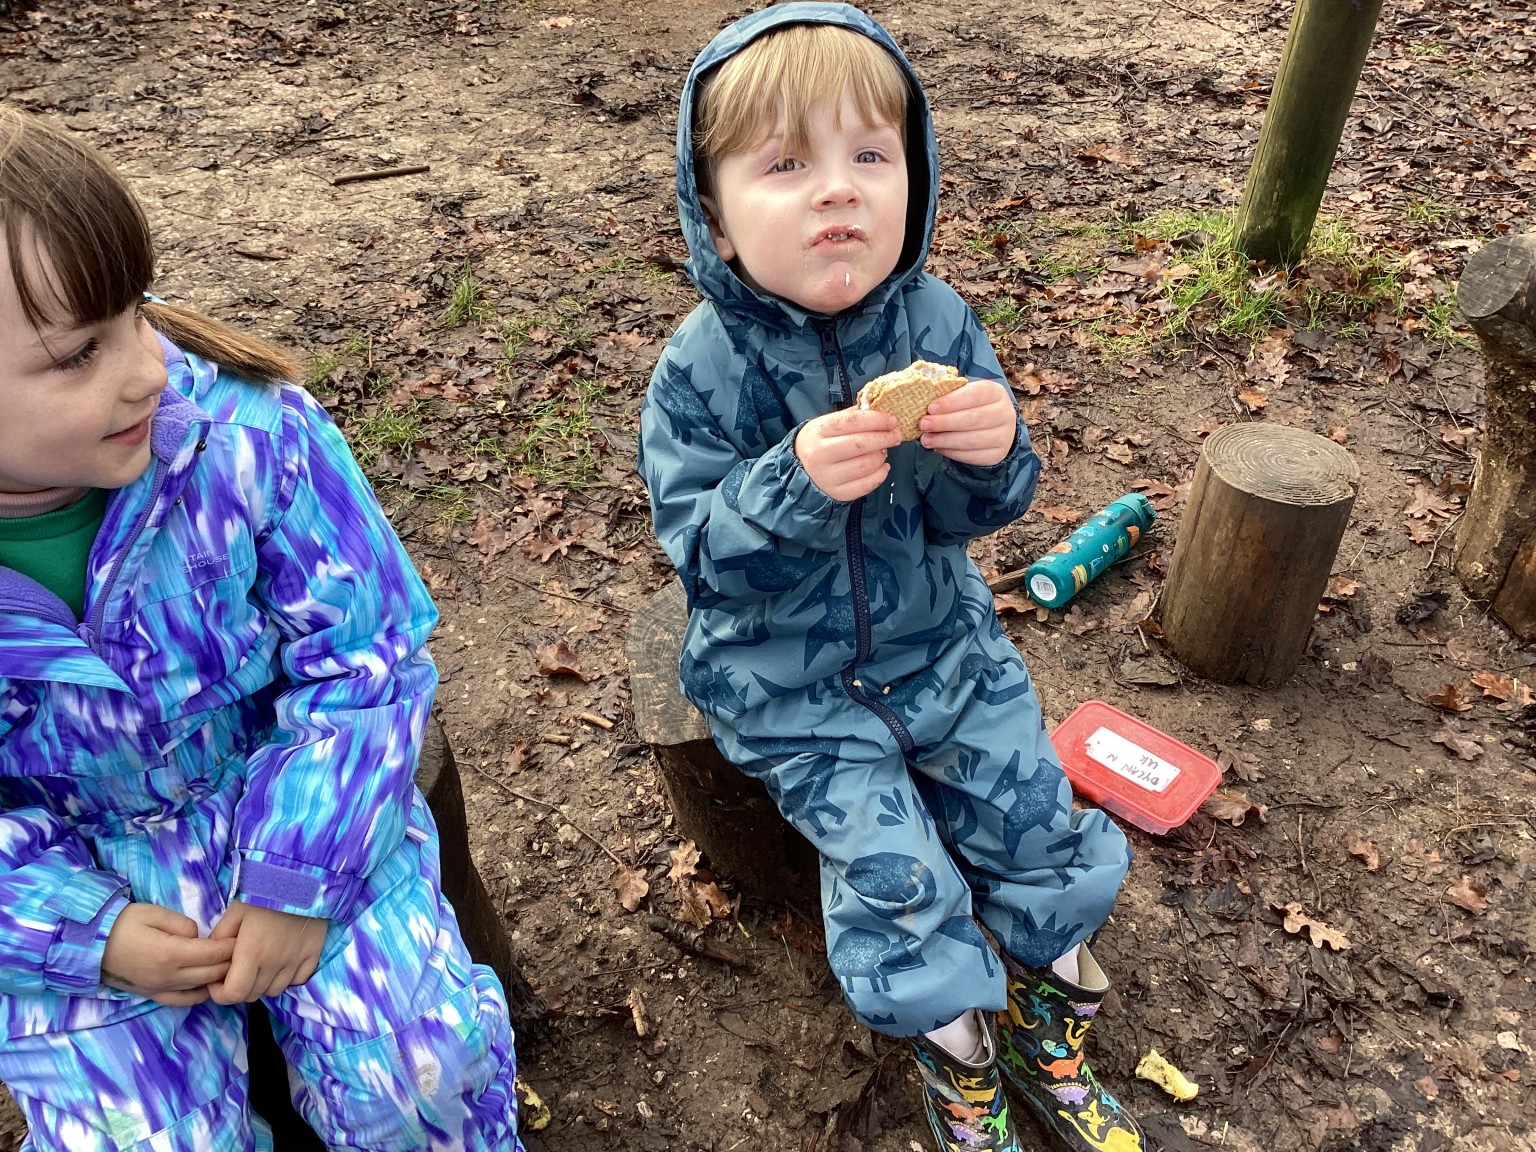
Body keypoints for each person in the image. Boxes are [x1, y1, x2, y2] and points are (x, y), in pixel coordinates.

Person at [638, 6, 1145, 1152]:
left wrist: (993, 449)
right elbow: (705, 561)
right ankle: (957, 1060)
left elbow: (982, 511)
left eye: (872, 156)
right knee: (898, 876)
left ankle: (1049, 1015)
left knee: (1033, 819)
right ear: (712, 217)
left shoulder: (937, 320)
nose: (839, 191)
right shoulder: (699, 371)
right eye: (787, 164)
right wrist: (794, 483)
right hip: (789, 682)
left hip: (941, 642)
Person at [0, 106, 522, 1152]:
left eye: (137, 313)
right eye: (78, 355)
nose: (147, 367)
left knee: (420, 1070)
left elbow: (367, 657)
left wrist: (299, 880)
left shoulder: (250, 441)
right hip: (83, 886)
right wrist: (83, 933)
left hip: (300, 808)